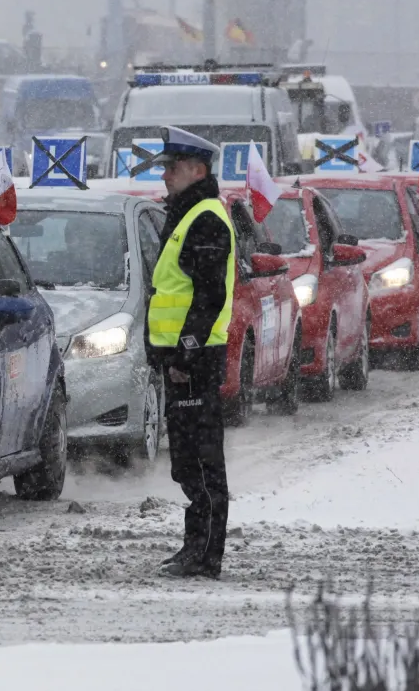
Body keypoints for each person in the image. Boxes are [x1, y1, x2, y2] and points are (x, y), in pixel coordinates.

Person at [145, 125, 235, 580]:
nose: (164, 176)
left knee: (200, 460)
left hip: (194, 360)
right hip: (181, 359)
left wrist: (185, 352)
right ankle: (194, 549)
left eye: (172, 168)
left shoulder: (204, 218)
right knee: (186, 460)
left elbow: (208, 296)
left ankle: (205, 555)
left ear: (196, 170)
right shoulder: (187, 213)